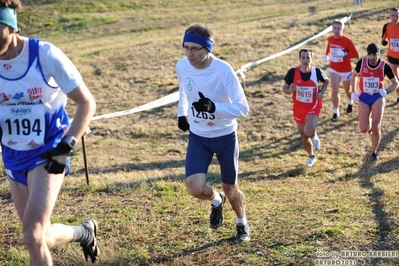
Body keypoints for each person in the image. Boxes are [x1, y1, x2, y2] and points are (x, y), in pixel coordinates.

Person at [0, 1, 98, 265]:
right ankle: (83, 233)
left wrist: (65, 148)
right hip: (12, 153)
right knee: (40, 235)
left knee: (33, 236)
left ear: (12, 27)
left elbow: (86, 103)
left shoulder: (44, 54)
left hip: (49, 151)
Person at [176, 23, 250, 242]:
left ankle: (242, 223)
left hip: (225, 136)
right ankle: (216, 200)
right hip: (199, 137)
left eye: (195, 48)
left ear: (207, 48)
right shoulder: (182, 66)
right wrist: (182, 113)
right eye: (186, 47)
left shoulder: (223, 70)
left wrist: (214, 108)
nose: (189, 53)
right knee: (194, 188)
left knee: (231, 188)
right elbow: (183, 88)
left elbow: (242, 109)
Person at [350, 43, 398, 161]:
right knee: (363, 129)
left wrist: (386, 91)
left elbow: (396, 83)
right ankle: (369, 122)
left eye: (374, 55)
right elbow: (354, 75)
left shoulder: (384, 66)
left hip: (377, 96)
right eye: (370, 55)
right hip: (364, 96)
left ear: (379, 55)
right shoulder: (362, 63)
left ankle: (373, 152)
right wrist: (353, 91)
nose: (371, 58)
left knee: (376, 128)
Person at [283, 49, 329, 167]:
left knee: (308, 131)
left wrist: (322, 92)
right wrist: (290, 90)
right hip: (299, 107)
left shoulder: (317, 71)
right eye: (303, 58)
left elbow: (326, 80)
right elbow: (285, 88)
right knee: (303, 136)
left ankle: (314, 135)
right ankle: (311, 156)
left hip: (313, 105)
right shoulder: (292, 72)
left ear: (311, 59)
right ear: (299, 59)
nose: (305, 60)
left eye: (308, 58)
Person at [323, 20, 359, 121]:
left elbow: (356, 55)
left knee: (347, 90)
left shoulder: (347, 41)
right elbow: (329, 49)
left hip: (346, 70)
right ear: (332, 29)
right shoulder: (330, 39)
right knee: (334, 90)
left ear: (342, 29)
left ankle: (350, 101)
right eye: (334, 28)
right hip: (334, 68)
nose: (336, 30)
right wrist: (327, 55)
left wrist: (345, 54)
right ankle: (336, 112)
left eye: (338, 28)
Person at [381, 8, 399, 104]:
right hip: (392, 56)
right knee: (396, 79)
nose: (395, 18)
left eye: (397, 15)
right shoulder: (386, 26)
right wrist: (384, 42)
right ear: (390, 16)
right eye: (393, 15)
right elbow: (383, 39)